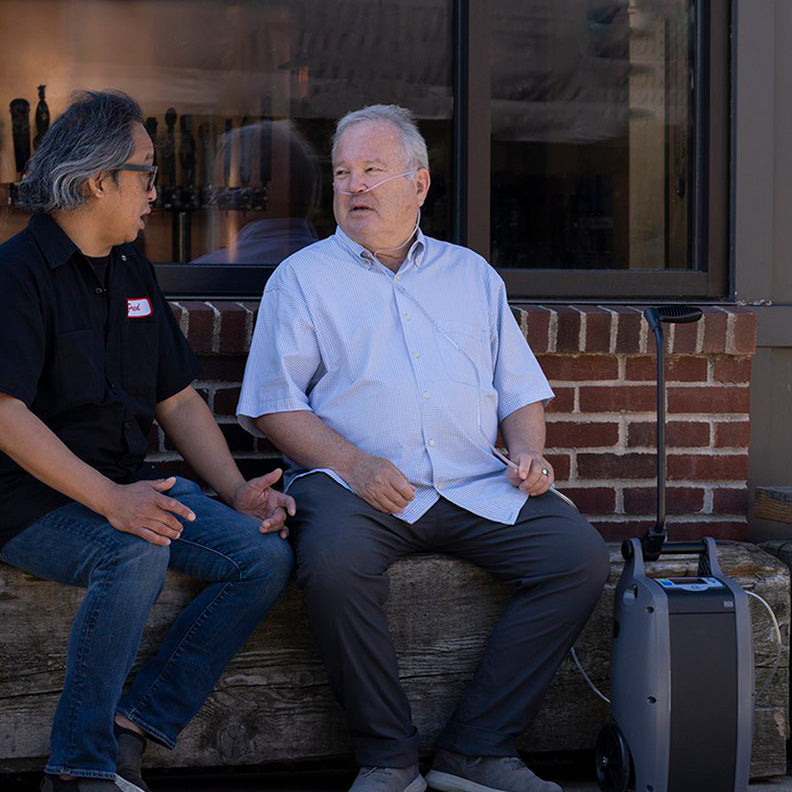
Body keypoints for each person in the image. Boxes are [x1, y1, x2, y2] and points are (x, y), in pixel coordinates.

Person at [237, 104, 610, 792]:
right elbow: (274, 405)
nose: (354, 186)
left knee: (576, 557)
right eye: (343, 173)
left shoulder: (471, 276)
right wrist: (352, 464)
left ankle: (479, 751)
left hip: (474, 482)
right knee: (334, 561)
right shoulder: (302, 278)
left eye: (372, 170)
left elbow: (519, 388)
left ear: (419, 183)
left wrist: (529, 455)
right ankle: (389, 759)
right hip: (353, 487)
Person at [0, 91, 295, 792]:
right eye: (145, 172)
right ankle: (78, 767)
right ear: (99, 180)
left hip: (123, 485)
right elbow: (5, 414)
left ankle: (136, 725)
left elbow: (177, 399)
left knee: (258, 555)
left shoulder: (131, 267)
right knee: (133, 553)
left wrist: (237, 492)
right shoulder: (14, 275)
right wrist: (111, 501)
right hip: (28, 501)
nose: (156, 193)